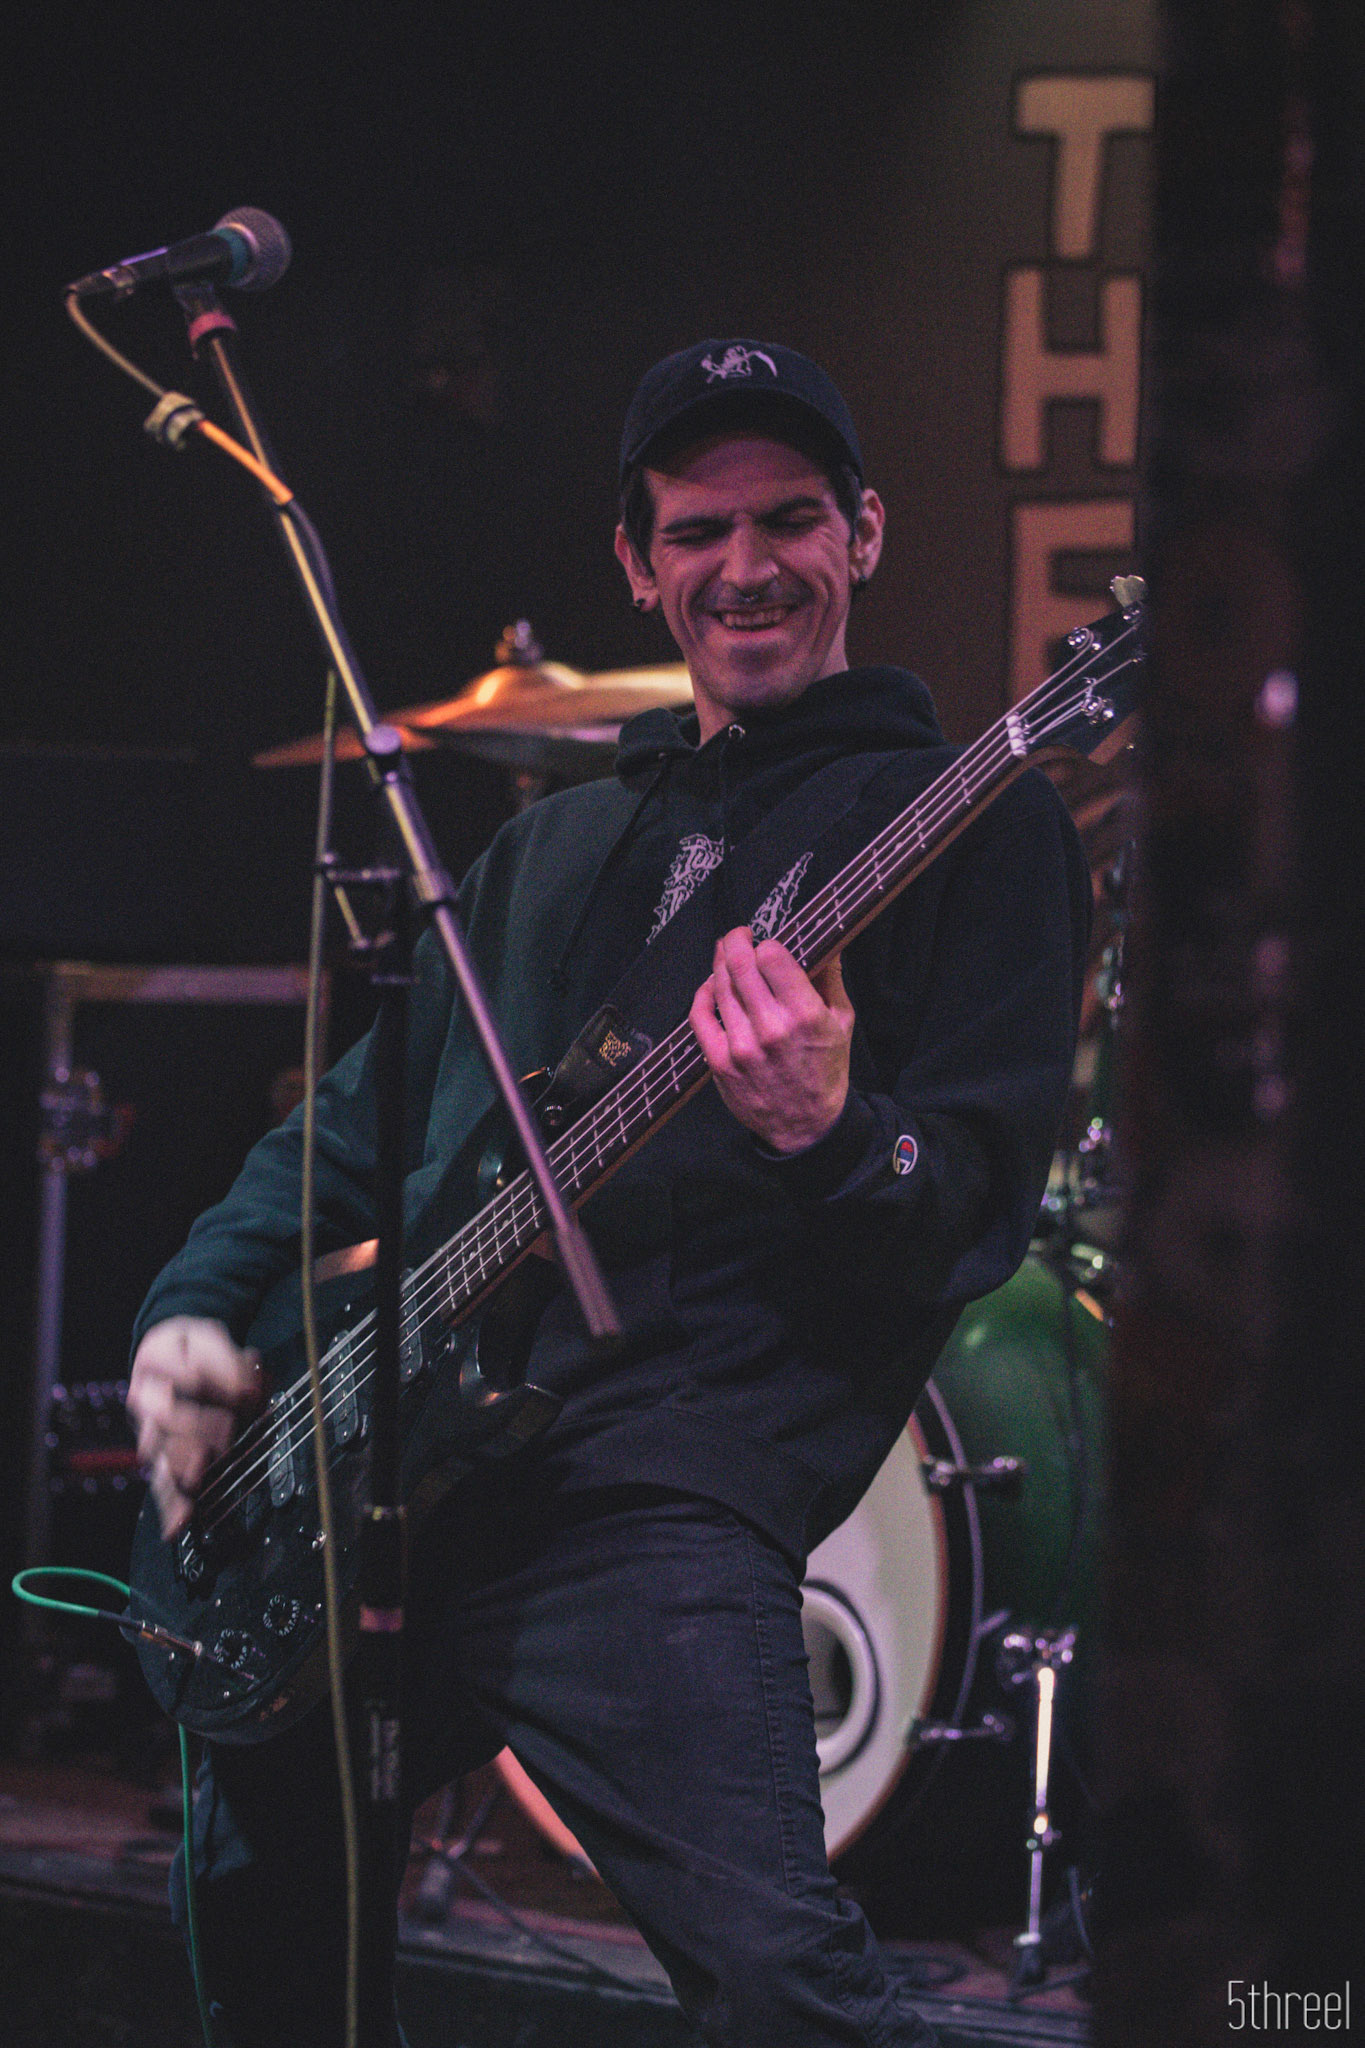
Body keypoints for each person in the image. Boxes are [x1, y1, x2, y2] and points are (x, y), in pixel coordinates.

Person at [127, 339, 1090, 2048]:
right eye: (697, 530)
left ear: (864, 533)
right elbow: (340, 1137)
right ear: (637, 565)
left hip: (654, 1499)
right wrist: (192, 1313)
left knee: (780, 1987)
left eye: (788, 520)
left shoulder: (972, 826)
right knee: (261, 1899)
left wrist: (829, 1129)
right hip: (393, 1474)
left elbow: (972, 1210)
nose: (745, 566)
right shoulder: (550, 848)